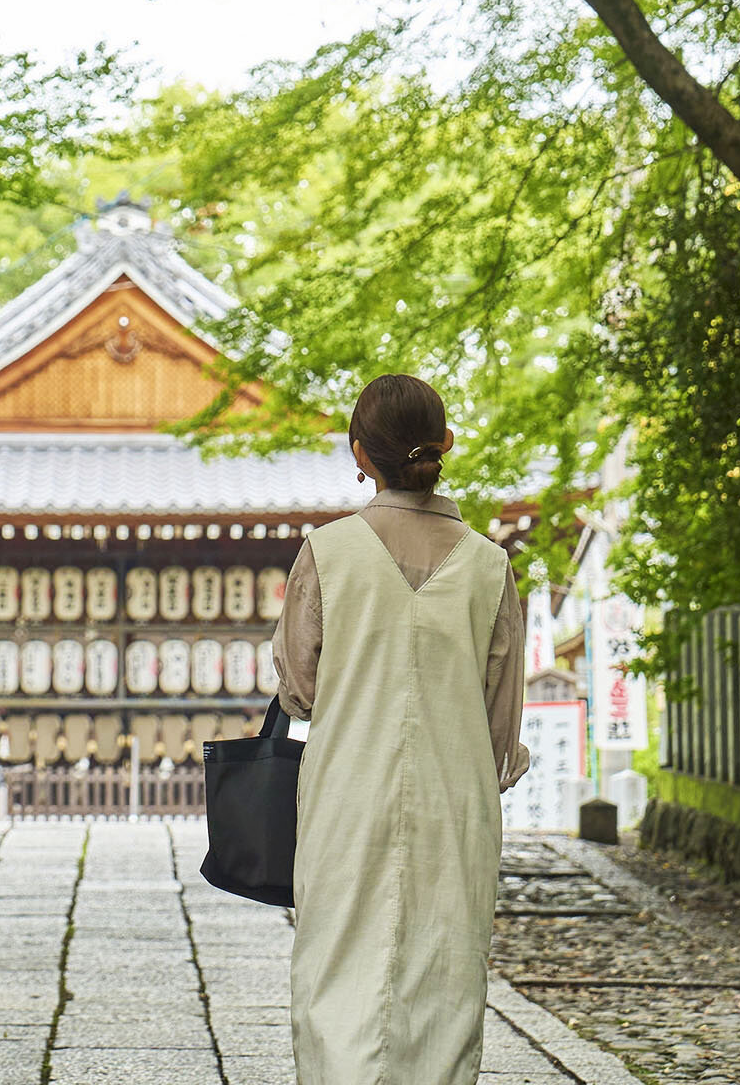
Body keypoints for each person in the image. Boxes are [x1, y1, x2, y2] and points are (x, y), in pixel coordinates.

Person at [272, 372, 532, 1085]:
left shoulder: (326, 553)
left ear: (360, 453)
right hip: (457, 797)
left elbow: (299, 690)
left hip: (345, 790)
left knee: (337, 962)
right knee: (445, 969)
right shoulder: (489, 566)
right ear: (445, 444)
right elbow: (502, 726)